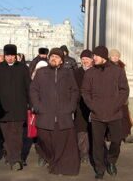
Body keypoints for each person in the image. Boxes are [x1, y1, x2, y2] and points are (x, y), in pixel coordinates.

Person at [81, 46, 130, 179]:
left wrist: (116, 105)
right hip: (97, 115)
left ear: (102, 56)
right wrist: (93, 106)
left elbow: (124, 90)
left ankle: (111, 161)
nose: (93, 58)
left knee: (116, 141)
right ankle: (99, 168)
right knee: (97, 144)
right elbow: (85, 92)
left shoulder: (117, 71)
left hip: (114, 114)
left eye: (95, 56)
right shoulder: (90, 73)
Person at [30, 48, 80, 176]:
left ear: (61, 61)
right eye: (52, 56)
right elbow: (33, 90)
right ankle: (49, 158)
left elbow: (74, 91)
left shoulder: (68, 73)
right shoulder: (41, 72)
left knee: (61, 141)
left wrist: (71, 106)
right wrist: (37, 106)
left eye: (57, 57)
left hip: (63, 115)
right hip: (45, 114)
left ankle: (58, 165)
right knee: (45, 140)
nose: (54, 59)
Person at [0, 44, 31, 171]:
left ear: (16, 56)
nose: (10, 58)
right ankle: (9, 155)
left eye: (12, 56)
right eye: (7, 56)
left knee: (18, 134)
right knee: (6, 135)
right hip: (2, 108)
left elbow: (29, 87)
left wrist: (30, 103)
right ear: (4, 56)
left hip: (19, 107)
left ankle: (16, 159)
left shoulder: (23, 68)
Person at [109, 49, 133, 143]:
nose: (115, 57)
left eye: (117, 56)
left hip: (122, 95)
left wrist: (125, 95)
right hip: (111, 96)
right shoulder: (107, 66)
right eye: (113, 56)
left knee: (125, 116)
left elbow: (124, 82)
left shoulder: (121, 66)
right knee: (112, 118)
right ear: (110, 57)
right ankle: (111, 136)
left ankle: (126, 134)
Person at [73, 49, 93, 164]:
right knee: (81, 130)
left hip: (94, 106)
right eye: (83, 59)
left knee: (93, 131)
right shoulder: (76, 72)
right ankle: (83, 153)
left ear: (91, 60)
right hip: (80, 106)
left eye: (87, 59)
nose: (85, 61)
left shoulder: (96, 71)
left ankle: (93, 152)